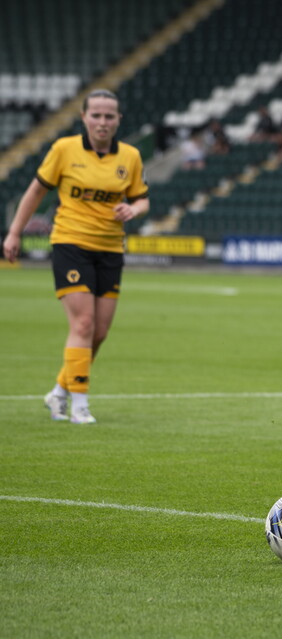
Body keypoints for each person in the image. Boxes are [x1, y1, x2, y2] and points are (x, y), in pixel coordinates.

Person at [2, 89, 150, 424]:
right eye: (95, 115)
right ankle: (79, 406)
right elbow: (36, 191)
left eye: (109, 116)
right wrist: (14, 232)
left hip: (111, 249)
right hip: (71, 244)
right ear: (83, 117)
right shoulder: (64, 149)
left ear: (118, 120)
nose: (102, 122)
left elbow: (143, 199)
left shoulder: (130, 156)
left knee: (98, 333)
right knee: (82, 323)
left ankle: (59, 392)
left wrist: (133, 208)